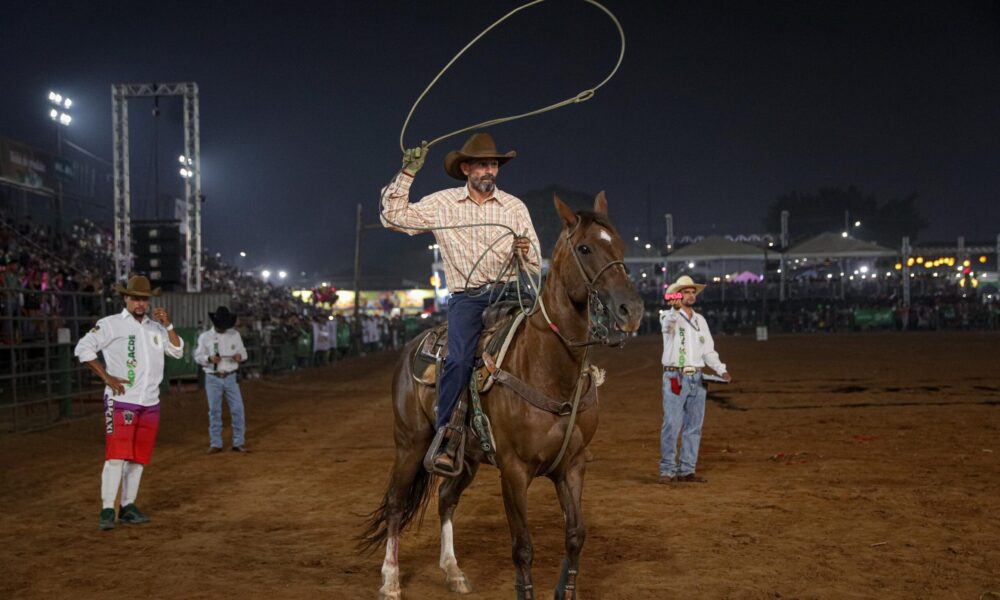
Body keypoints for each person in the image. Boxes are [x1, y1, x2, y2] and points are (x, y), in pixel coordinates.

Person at [381, 132, 541, 472]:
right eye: (483, 164)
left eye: (494, 165)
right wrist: (407, 173)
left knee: (549, 339)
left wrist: (526, 253)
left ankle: (560, 423)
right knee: (457, 360)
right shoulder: (442, 204)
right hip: (468, 299)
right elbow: (393, 218)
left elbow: (534, 260)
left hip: (512, 293)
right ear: (466, 168)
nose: (489, 171)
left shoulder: (515, 207)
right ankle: (448, 435)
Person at [74, 275, 184, 530]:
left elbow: (177, 351)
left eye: (144, 299)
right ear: (125, 298)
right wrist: (106, 376)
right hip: (122, 400)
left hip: (149, 402)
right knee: (116, 457)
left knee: (137, 458)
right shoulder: (111, 324)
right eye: (135, 298)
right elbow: (83, 348)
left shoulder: (156, 328)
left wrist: (168, 326)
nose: (140, 303)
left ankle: (127, 506)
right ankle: (107, 508)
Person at [658, 275, 733, 484]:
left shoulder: (700, 320)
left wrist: (720, 369)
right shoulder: (668, 315)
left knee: (694, 425)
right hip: (676, 375)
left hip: (697, 376)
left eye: (692, 292)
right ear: (678, 295)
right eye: (686, 292)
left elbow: (708, 350)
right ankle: (668, 469)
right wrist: (673, 310)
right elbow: (667, 327)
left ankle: (686, 469)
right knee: (672, 424)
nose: (691, 295)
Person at [194, 306, 248, 454]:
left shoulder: (235, 335)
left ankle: (237, 442)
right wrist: (208, 358)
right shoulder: (205, 337)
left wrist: (240, 356)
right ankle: (216, 443)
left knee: (237, 409)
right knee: (214, 411)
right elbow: (198, 356)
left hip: (230, 377)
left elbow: (243, 353)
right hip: (213, 377)